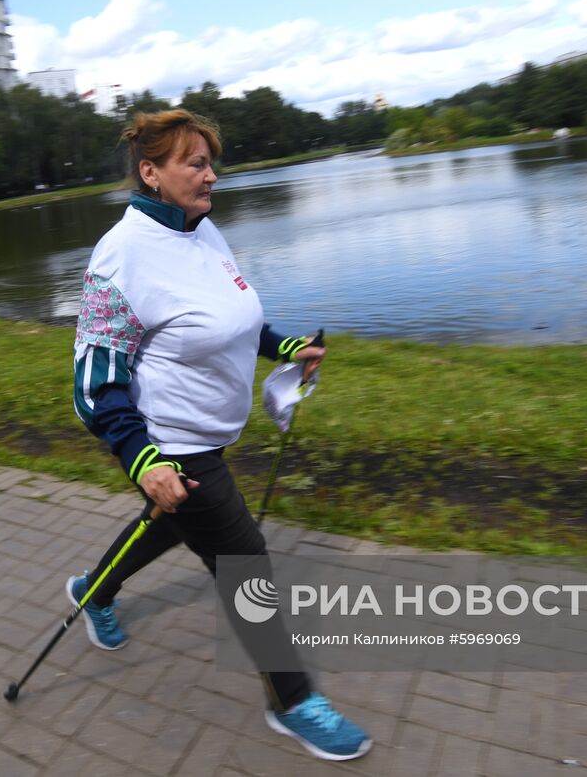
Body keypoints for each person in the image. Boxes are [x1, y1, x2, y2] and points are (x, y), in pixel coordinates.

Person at [69, 109, 371, 761]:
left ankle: (93, 591)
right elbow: (95, 380)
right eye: (195, 163)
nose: (212, 175)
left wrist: (287, 346)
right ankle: (292, 701)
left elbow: (234, 318)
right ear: (151, 172)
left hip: (205, 436)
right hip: (169, 442)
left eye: (212, 162)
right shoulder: (119, 258)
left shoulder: (205, 232)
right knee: (244, 560)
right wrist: (141, 457)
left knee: (170, 523)